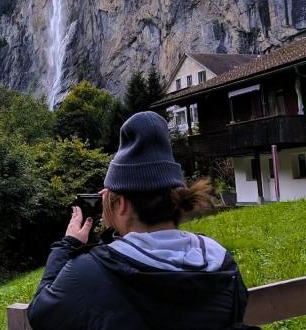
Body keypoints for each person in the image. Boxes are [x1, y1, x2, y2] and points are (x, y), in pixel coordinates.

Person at [27, 111, 253, 330]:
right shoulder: (222, 264)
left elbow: (41, 314)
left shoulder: (88, 274)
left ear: (123, 204)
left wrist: (68, 244)